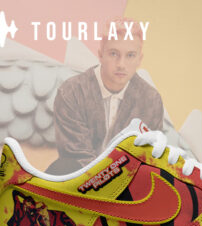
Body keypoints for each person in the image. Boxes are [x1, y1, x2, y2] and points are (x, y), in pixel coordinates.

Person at [47, 19, 164, 174]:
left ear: (139, 59)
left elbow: (147, 158)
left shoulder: (151, 101)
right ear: (101, 55)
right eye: (113, 53)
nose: (121, 64)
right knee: (62, 167)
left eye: (130, 55)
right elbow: (77, 155)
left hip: (126, 178)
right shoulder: (71, 92)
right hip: (77, 176)